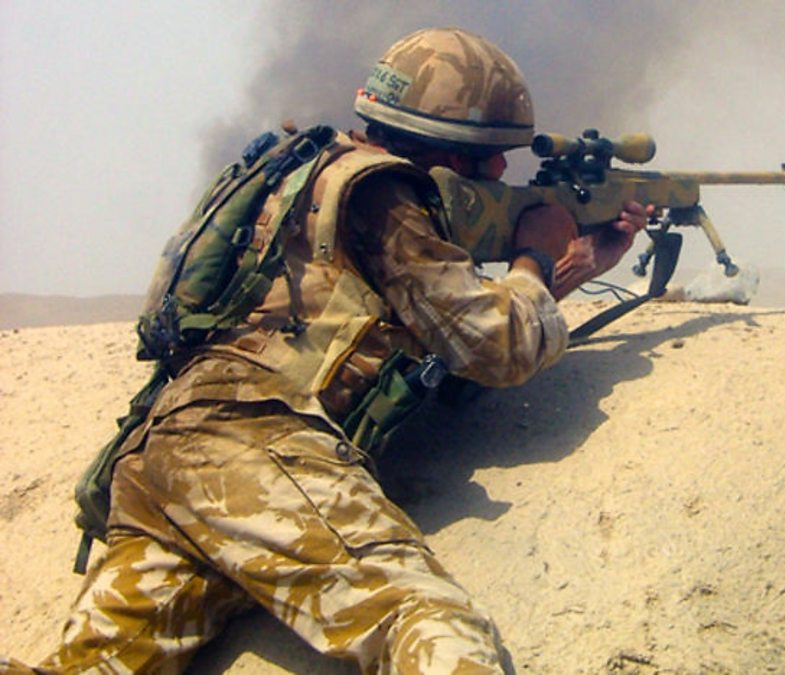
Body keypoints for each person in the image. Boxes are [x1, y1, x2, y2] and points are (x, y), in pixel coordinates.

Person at [4, 27, 650, 674]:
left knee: (96, 664)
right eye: (489, 157)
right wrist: (534, 254)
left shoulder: (300, 174)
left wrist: (572, 265)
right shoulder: (382, 194)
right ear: (449, 148)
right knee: (427, 620)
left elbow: (435, 322)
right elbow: (496, 347)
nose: (503, 172)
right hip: (254, 442)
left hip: (163, 452)